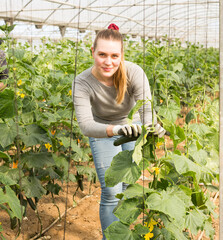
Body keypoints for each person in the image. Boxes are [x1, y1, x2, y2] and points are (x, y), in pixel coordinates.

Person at [72, 23, 165, 240]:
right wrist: (116, 129)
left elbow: (146, 110)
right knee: (112, 191)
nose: (108, 61)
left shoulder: (134, 72)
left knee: (129, 187)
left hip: (132, 127)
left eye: (115, 55)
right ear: (92, 52)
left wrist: (153, 127)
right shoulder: (82, 82)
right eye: (102, 54)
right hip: (103, 129)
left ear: (122, 55)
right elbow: (86, 125)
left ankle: (125, 234)